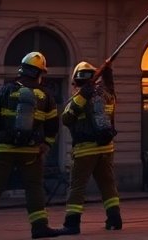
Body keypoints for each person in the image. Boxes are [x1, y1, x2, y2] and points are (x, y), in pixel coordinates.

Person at [0, 51, 63, 240]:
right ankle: (39, 228)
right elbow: (53, 126)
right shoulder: (46, 95)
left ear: (22, 70)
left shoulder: (6, 90)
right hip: (30, 150)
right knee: (34, 187)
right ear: (39, 73)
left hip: (3, 148)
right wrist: (46, 144)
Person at [60, 61, 122, 233]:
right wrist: (108, 74)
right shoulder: (107, 95)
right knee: (108, 184)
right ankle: (115, 219)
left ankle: (72, 223)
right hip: (106, 149)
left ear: (76, 80)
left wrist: (81, 96)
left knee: (77, 187)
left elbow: (66, 119)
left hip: (84, 150)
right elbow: (112, 96)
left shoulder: (79, 98)